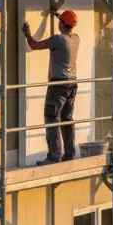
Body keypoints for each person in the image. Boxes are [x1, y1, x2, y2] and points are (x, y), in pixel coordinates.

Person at [22, 10, 80, 165]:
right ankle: (69, 154)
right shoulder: (76, 38)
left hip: (58, 84)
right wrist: (58, 15)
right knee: (66, 118)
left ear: (62, 23)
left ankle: (54, 156)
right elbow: (67, 24)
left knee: (51, 116)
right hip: (72, 83)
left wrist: (27, 33)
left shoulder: (57, 40)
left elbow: (34, 45)